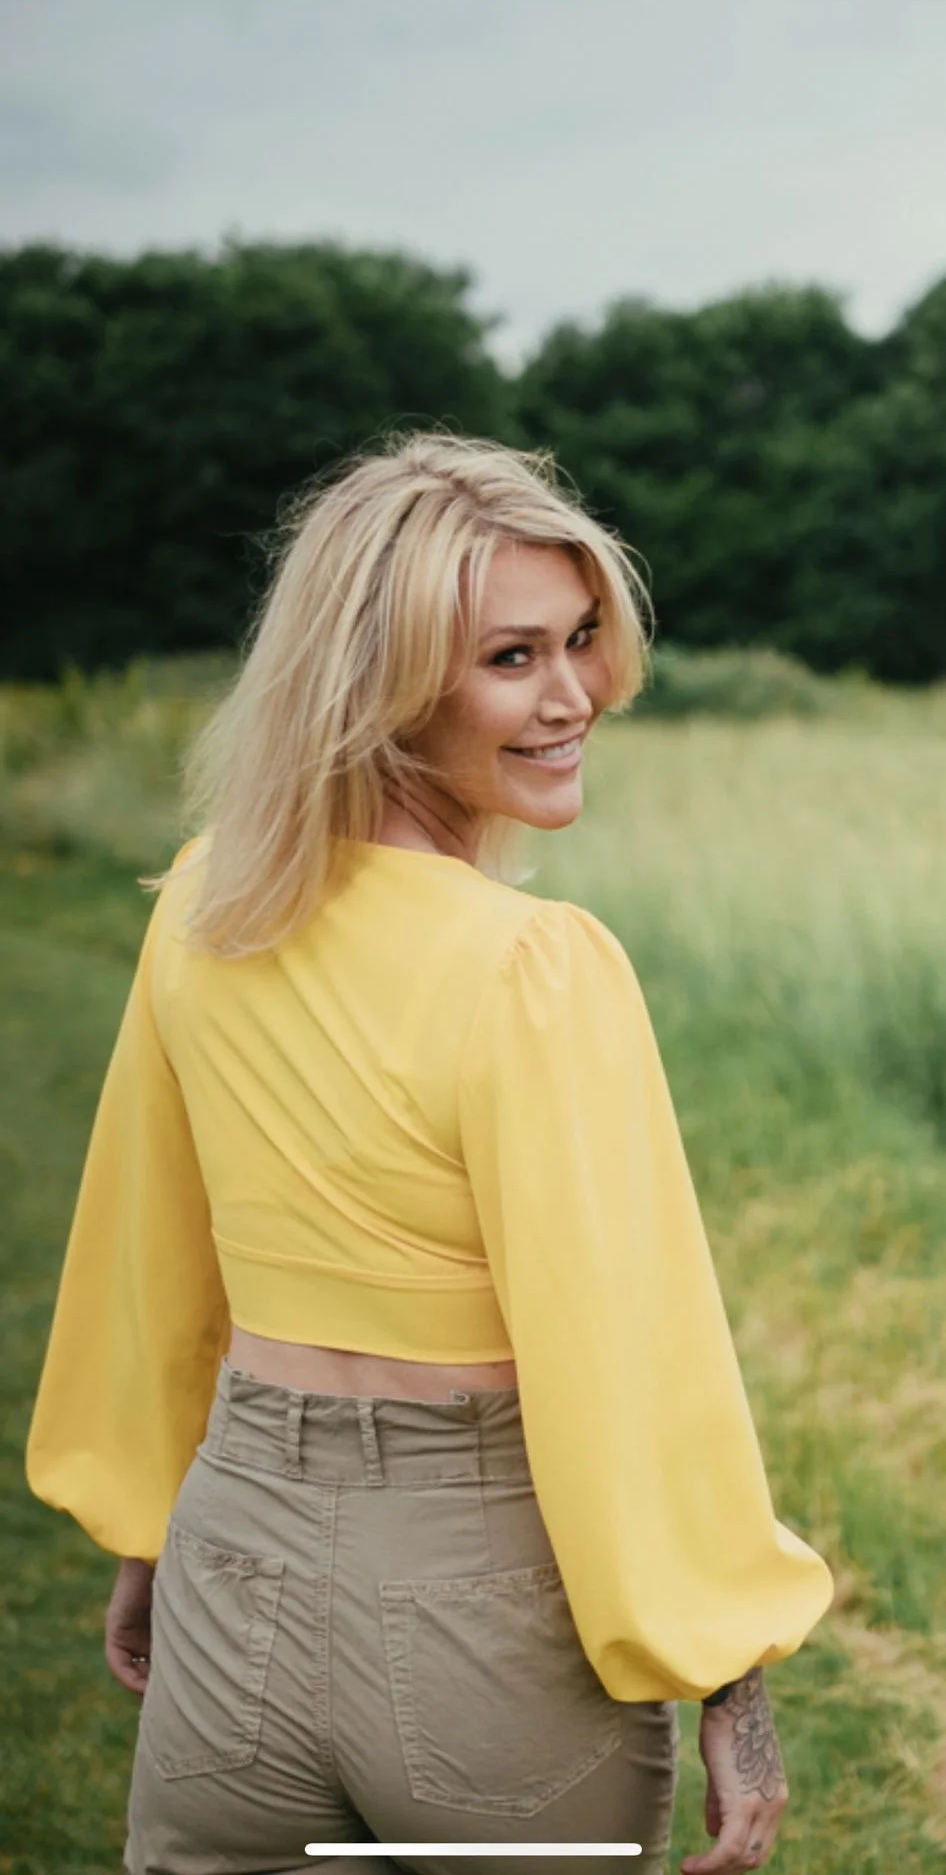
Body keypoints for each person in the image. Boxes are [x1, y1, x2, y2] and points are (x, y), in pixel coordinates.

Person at [26, 432, 834, 1875]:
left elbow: (145, 1260)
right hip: (485, 1603)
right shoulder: (535, 962)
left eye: (580, 640)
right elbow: (626, 1349)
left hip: (235, 1562)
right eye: (510, 659)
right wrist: (732, 1676)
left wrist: (150, 1529)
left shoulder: (206, 905)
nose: (576, 695)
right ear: (379, 684)